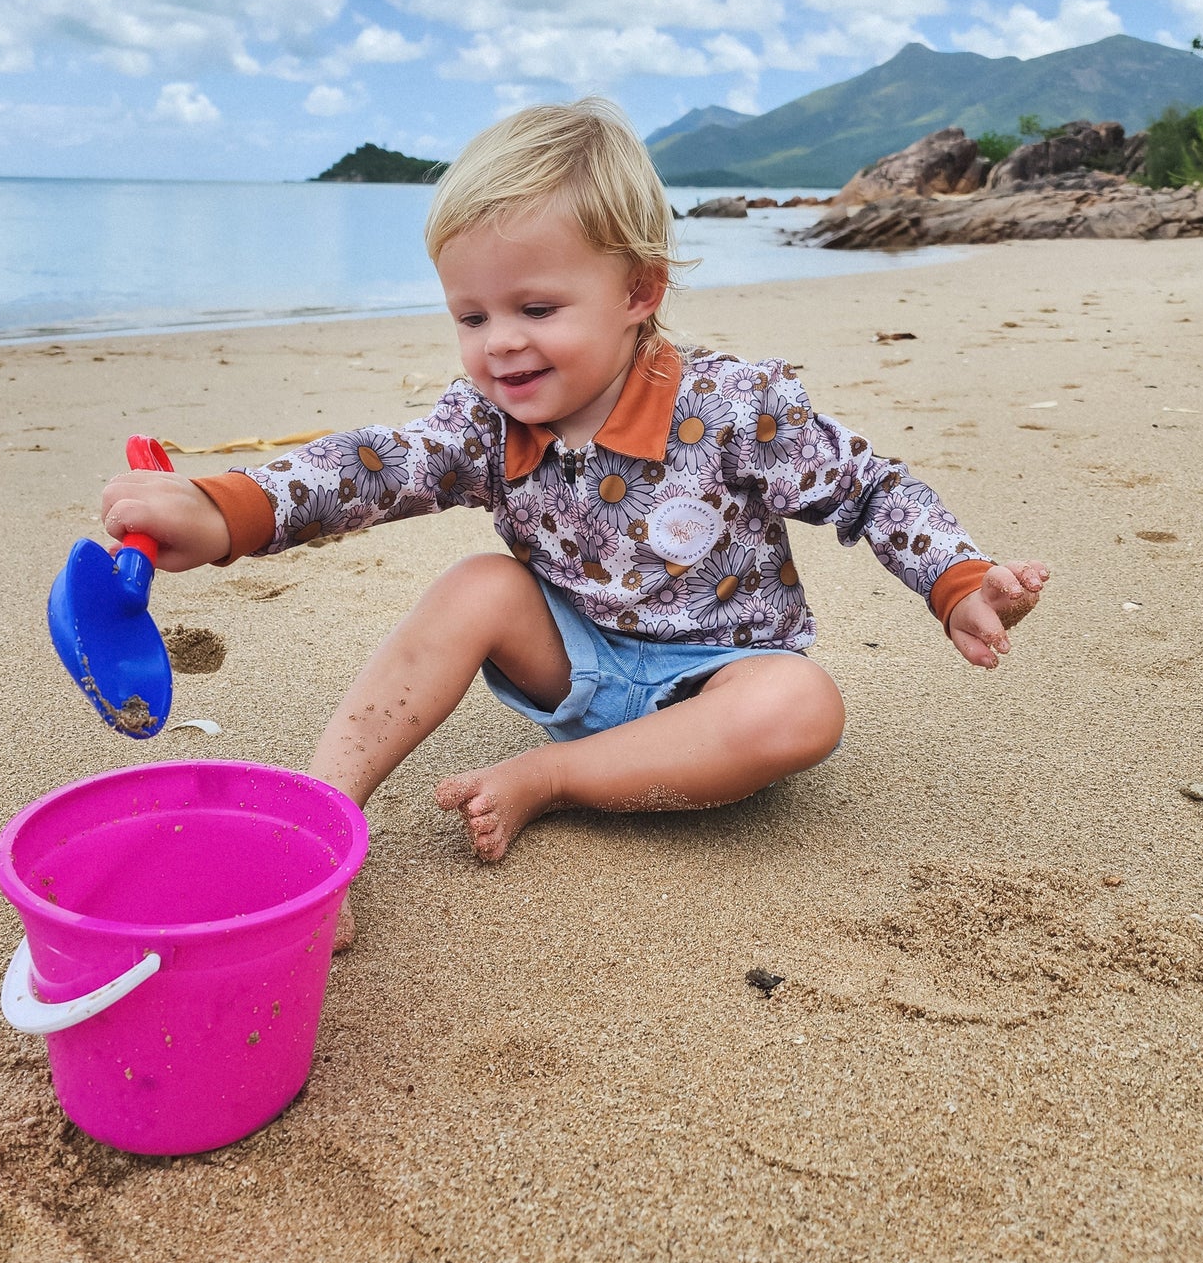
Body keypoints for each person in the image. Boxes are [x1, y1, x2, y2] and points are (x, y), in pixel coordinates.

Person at [100, 98, 1048, 950]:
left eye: (536, 307)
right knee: (479, 584)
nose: (498, 342)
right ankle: (322, 822)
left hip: (721, 680)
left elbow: (868, 486)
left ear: (639, 292)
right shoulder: (482, 422)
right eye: (469, 315)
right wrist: (226, 511)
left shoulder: (734, 406)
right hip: (578, 658)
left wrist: (954, 578)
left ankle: (551, 779)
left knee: (802, 706)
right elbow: (370, 467)